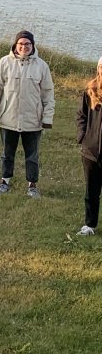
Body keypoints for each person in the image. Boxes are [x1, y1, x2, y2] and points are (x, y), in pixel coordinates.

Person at [0, 30, 54, 198]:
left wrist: (47, 118)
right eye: (21, 44)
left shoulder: (42, 66)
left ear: (33, 46)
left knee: (32, 155)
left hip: (33, 121)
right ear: (15, 45)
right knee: (7, 153)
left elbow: (48, 95)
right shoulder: (4, 63)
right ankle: (5, 181)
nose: (24, 47)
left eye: (28, 44)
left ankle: (32, 185)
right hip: (8, 118)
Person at [76, 57, 102, 235]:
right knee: (91, 191)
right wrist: (83, 137)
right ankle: (90, 225)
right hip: (91, 151)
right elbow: (81, 116)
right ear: (99, 69)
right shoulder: (90, 91)